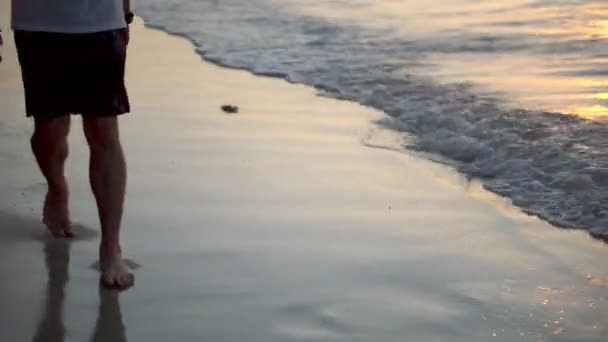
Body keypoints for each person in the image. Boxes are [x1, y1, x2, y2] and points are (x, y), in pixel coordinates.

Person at [2, 0, 136, 289]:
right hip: (38, 24)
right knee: (48, 130)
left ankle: (111, 247)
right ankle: (57, 187)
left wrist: (125, 12)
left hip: (102, 20)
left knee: (103, 130)